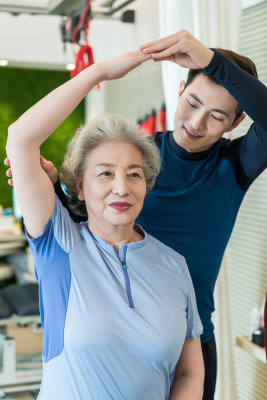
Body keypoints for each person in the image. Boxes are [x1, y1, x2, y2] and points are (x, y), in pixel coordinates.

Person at [8, 30, 267, 400]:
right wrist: (55, 191)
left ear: (236, 122)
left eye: (216, 116)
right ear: (179, 92)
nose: (196, 123)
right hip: (106, 330)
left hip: (186, 338)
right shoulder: (138, 157)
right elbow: (92, 226)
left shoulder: (234, 165)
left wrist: (209, 60)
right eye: (192, 103)